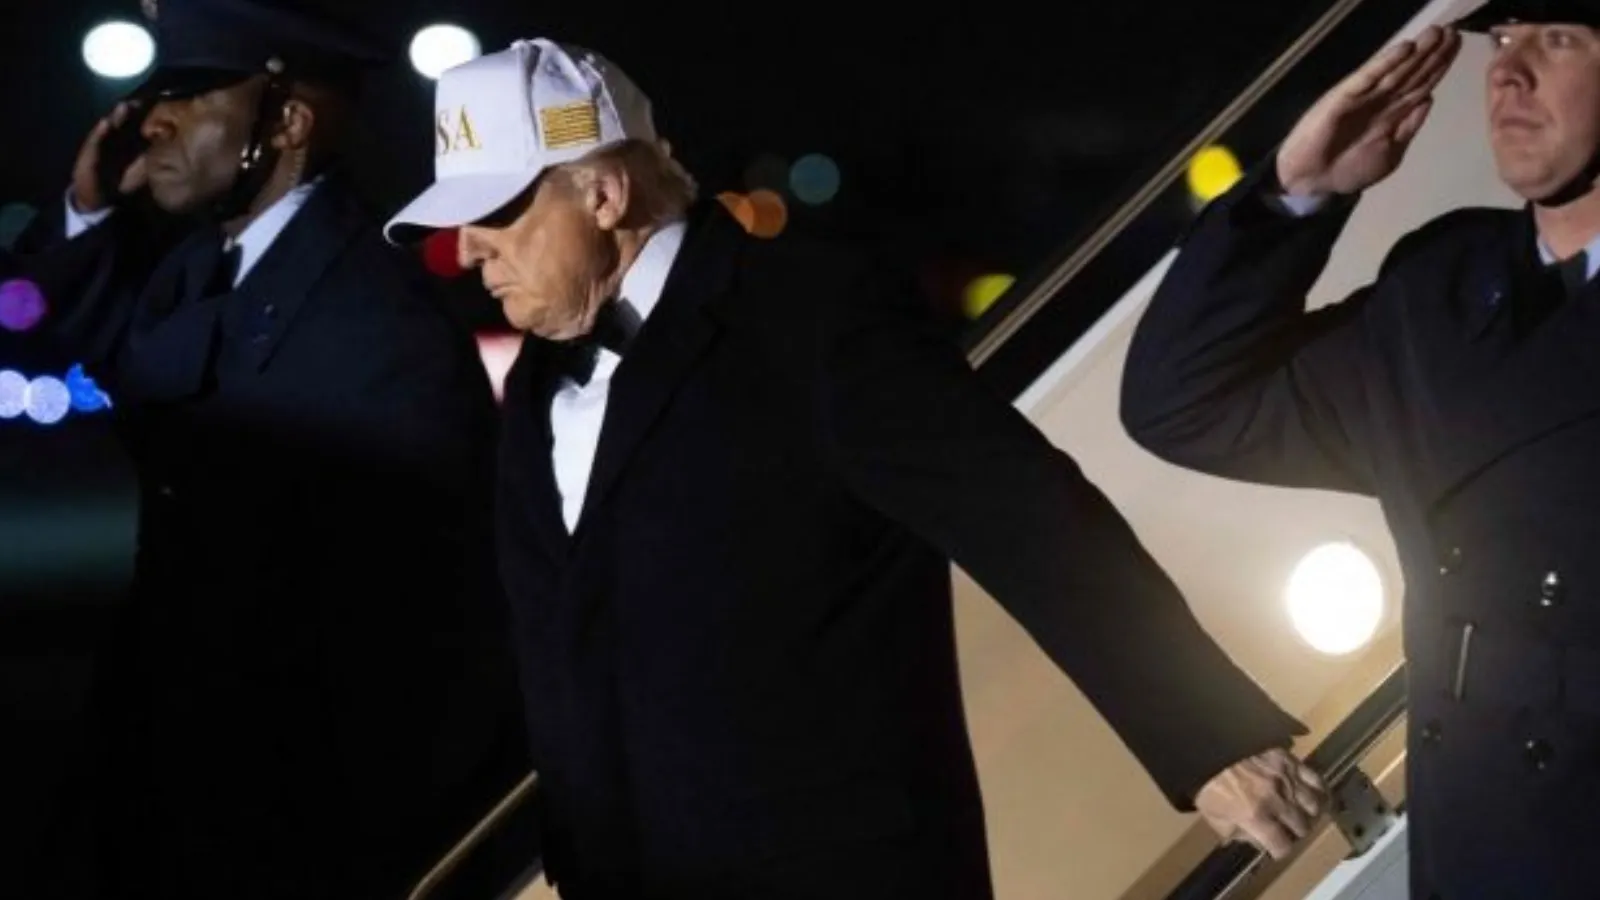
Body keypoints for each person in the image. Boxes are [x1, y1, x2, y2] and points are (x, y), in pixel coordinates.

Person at [384, 37, 1326, 899]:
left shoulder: (807, 315)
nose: (466, 249)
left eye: (495, 212)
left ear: (602, 195)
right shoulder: (536, 385)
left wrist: (1210, 738)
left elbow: (1030, 516)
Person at [11, 1, 530, 897]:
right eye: (156, 96)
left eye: (192, 93)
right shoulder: (206, 264)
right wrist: (88, 215)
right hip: (176, 783)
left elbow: (415, 640)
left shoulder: (380, 321)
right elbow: (100, 353)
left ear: (289, 122)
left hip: (286, 820)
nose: (153, 120)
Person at [1121, 4, 1600, 898]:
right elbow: (1180, 401)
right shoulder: (1445, 284)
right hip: (1470, 853)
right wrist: (1300, 191)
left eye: (1560, 38)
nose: (1509, 71)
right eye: (1504, 40)